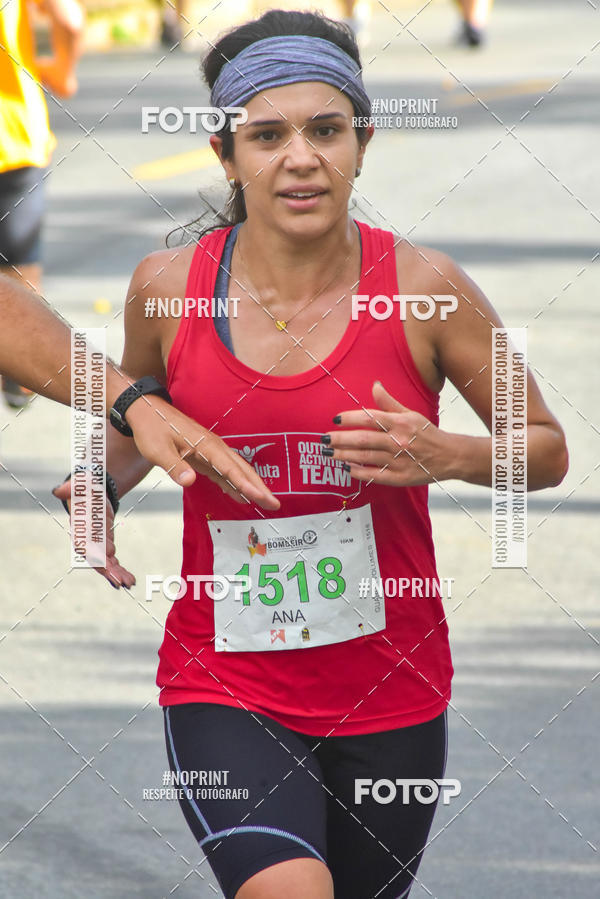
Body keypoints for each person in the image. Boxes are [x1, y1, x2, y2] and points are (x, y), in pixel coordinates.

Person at [58, 9, 567, 898]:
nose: (301, 157)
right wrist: (99, 481)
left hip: (391, 683)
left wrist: (448, 453)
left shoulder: (424, 288)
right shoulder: (168, 288)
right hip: (224, 678)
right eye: (267, 136)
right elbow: (139, 416)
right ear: (226, 156)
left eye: (327, 130)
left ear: (362, 143)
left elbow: (548, 449)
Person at [0, 275, 277, 529]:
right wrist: (97, 482)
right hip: (221, 581)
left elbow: (149, 413)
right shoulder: (171, 283)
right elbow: (150, 418)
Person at [0, 0, 83, 408]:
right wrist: (62, 72)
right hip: (13, 136)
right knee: (20, 269)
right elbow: (70, 17)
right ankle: (20, 375)